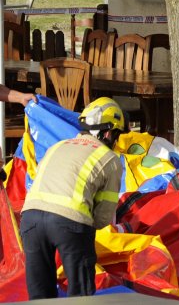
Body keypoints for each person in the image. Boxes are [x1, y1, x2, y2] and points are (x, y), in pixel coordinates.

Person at [20, 97, 125, 299]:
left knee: (40, 296)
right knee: (81, 295)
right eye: (117, 136)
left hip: (30, 220)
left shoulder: (57, 146)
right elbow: (102, 218)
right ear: (109, 133)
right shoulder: (110, 159)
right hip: (70, 222)